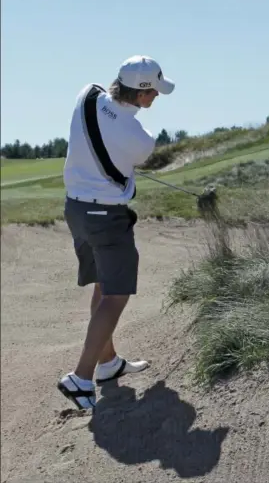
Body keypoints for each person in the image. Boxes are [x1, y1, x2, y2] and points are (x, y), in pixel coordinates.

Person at [57, 55, 175, 410]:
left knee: (104, 284)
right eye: (154, 90)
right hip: (105, 217)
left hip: (75, 209)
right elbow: (130, 150)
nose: (156, 96)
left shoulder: (87, 95)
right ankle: (80, 377)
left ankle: (108, 364)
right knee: (117, 294)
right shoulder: (141, 139)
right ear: (141, 94)